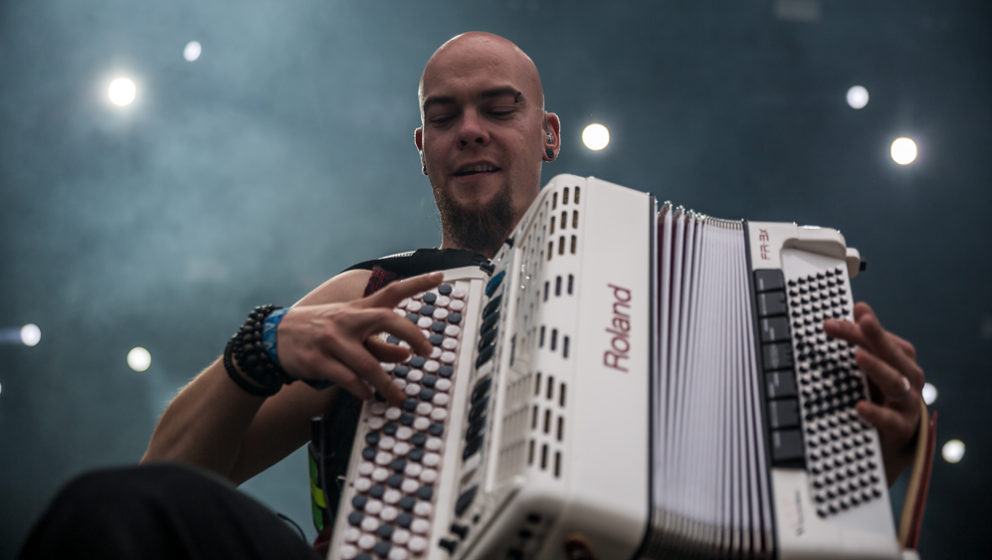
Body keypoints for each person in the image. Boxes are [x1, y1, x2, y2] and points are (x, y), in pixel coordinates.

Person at [20, 31, 927, 558]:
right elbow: (167, 477)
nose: (471, 131)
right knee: (115, 512)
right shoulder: (375, 291)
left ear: (549, 133)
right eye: (444, 116)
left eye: (499, 108)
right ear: (422, 148)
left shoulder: (675, 303)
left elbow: (764, 525)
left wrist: (860, 455)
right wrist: (263, 347)